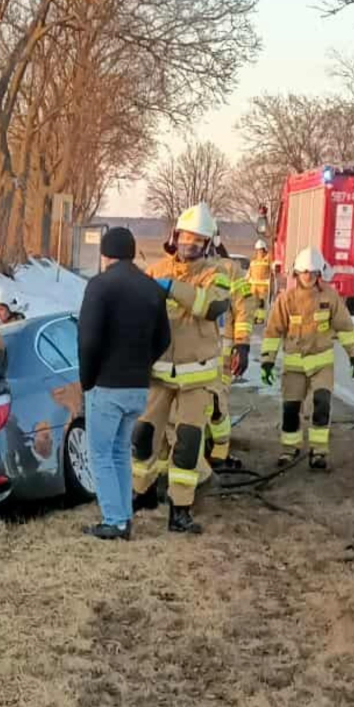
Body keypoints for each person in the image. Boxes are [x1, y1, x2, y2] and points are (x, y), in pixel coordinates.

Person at [129, 203, 240, 535]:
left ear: (207, 244)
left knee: (188, 442)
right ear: (174, 237)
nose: (189, 245)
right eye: (185, 237)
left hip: (197, 376)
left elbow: (212, 306)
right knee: (144, 436)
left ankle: (180, 508)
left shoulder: (216, 274)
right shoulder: (156, 270)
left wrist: (171, 288)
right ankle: (142, 493)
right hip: (158, 373)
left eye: (196, 240)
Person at [77, 226, 171, 540]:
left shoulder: (100, 287)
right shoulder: (152, 289)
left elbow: (88, 340)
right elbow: (164, 338)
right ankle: (124, 516)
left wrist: (87, 379)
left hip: (106, 385)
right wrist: (142, 365)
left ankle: (115, 521)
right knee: (119, 452)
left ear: (106, 255)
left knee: (100, 454)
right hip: (138, 387)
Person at [259, 247, 354, 470]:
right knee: (290, 409)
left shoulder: (329, 297)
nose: (308, 277)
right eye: (304, 273)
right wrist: (267, 361)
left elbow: (344, 327)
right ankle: (289, 449)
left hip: (321, 364)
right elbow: (273, 331)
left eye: (313, 273)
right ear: (296, 274)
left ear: (319, 273)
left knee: (321, 404)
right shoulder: (286, 300)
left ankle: (318, 452)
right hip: (294, 366)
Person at [205, 238, 254, 470]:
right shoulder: (182, 266)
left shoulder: (230, 269)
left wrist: (242, 345)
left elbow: (244, 307)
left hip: (221, 349)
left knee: (216, 400)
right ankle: (203, 446)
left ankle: (219, 451)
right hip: (190, 349)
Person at [249, 240, 273, 324]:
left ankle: (260, 318)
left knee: (261, 304)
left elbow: (272, 272)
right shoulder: (253, 262)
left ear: (264, 250)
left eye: (261, 250)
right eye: (258, 250)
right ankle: (254, 317)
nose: (259, 252)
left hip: (263, 288)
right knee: (254, 304)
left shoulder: (267, 261)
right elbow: (249, 274)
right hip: (254, 287)